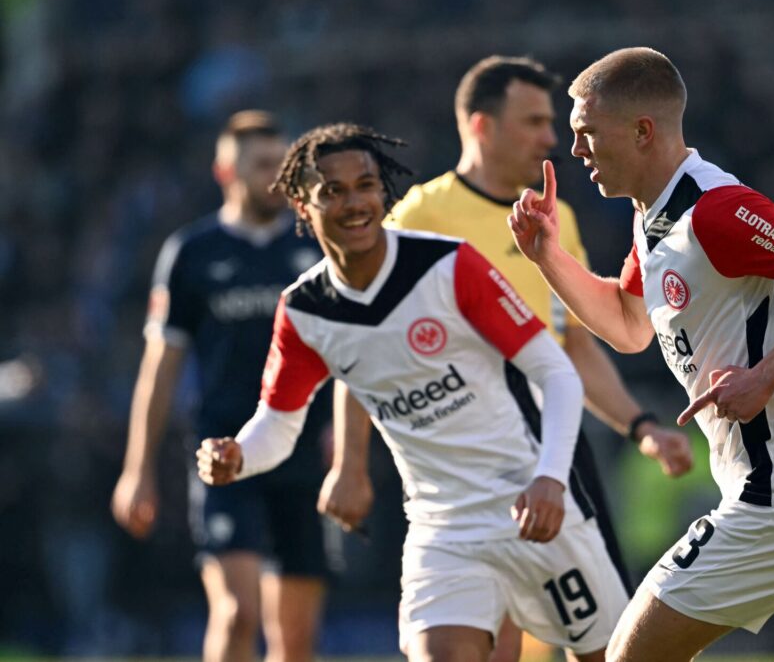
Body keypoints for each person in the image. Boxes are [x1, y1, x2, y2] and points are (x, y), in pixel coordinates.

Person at [509, 47, 774, 661]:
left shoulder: (716, 212)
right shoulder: (654, 214)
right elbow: (630, 325)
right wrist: (548, 254)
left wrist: (764, 377)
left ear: (641, 131)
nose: (575, 151)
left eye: (586, 134)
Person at [195, 122, 630, 662]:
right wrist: (238, 455)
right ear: (302, 207)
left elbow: (556, 372)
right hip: (443, 528)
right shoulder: (305, 311)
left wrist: (549, 477)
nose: (354, 202)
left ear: (384, 192)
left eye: (365, 185)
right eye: (332, 191)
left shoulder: (449, 265)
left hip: (532, 501)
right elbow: (278, 425)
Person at [322, 56, 693, 661]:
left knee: (599, 646)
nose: (552, 138)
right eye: (534, 121)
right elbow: (366, 343)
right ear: (481, 126)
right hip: (468, 463)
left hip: (557, 455)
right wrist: (351, 463)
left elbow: (572, 343)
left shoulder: (556, 218)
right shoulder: (419, 219)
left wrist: (638, 424)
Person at [111, 110, 331, 662]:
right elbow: (160, 364)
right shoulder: (192, 253)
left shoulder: (316, 248)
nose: (274, 178)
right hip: (223, 451)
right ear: (224, 171)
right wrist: (137, 468)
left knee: (296, 638)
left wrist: (346, 440)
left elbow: (348, 352)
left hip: (302, 452)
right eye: (260, 165)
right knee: (237, 614)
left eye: (282, 165)